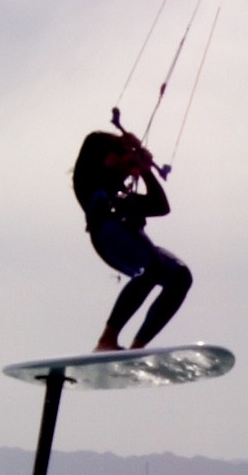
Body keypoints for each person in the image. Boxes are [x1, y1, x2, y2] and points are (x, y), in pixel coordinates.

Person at [72, 125, 192, 351]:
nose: (129, 166)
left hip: (131, 236)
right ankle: (107, 340)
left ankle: (137, 348)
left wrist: (146, 171)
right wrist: (127, 146)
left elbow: (161, 206)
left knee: (181, 277)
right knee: (152, 269)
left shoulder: (123, 196)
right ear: (108, 157)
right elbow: (97, 148)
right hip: (108, 231)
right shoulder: (90, 180)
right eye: (122, 156)